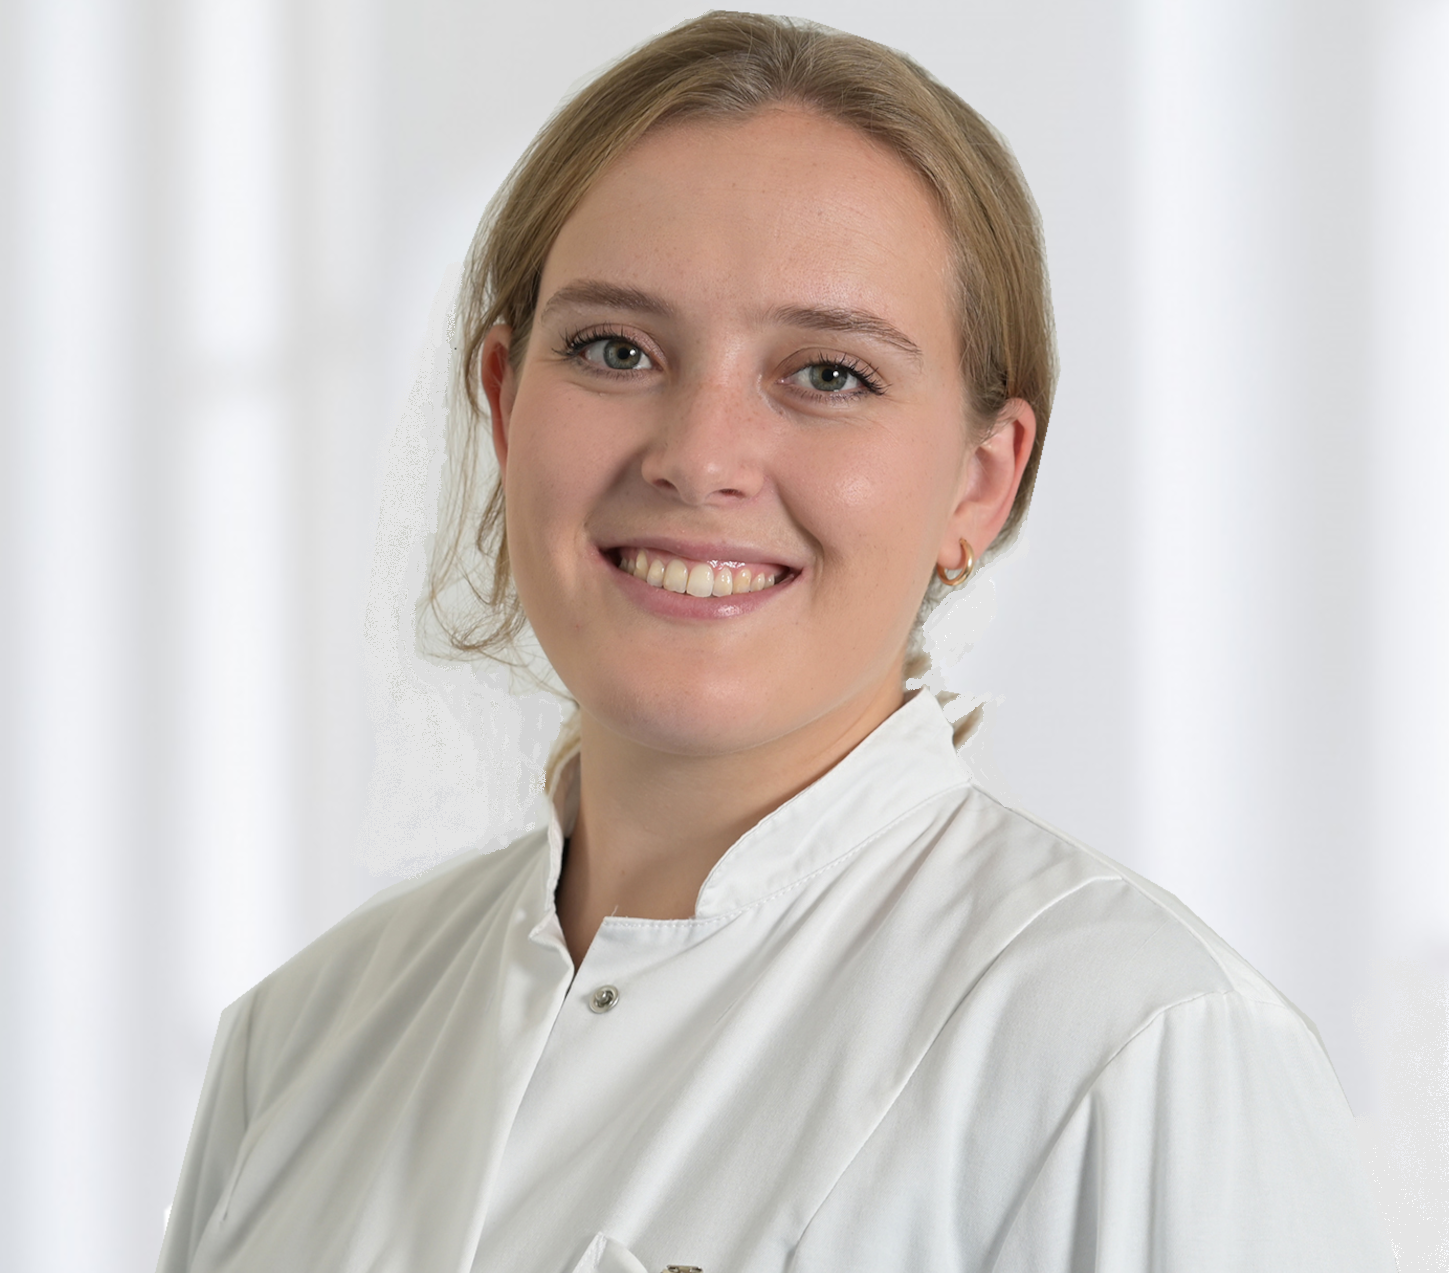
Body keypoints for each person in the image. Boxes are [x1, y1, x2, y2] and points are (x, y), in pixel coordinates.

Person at [157, 12, 1394, 1272]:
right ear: (505, 401)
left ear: (980, 482)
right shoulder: (298, 1046)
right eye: (615, 349)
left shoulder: (1139, 1052)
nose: (699, 457)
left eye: (829, 374)